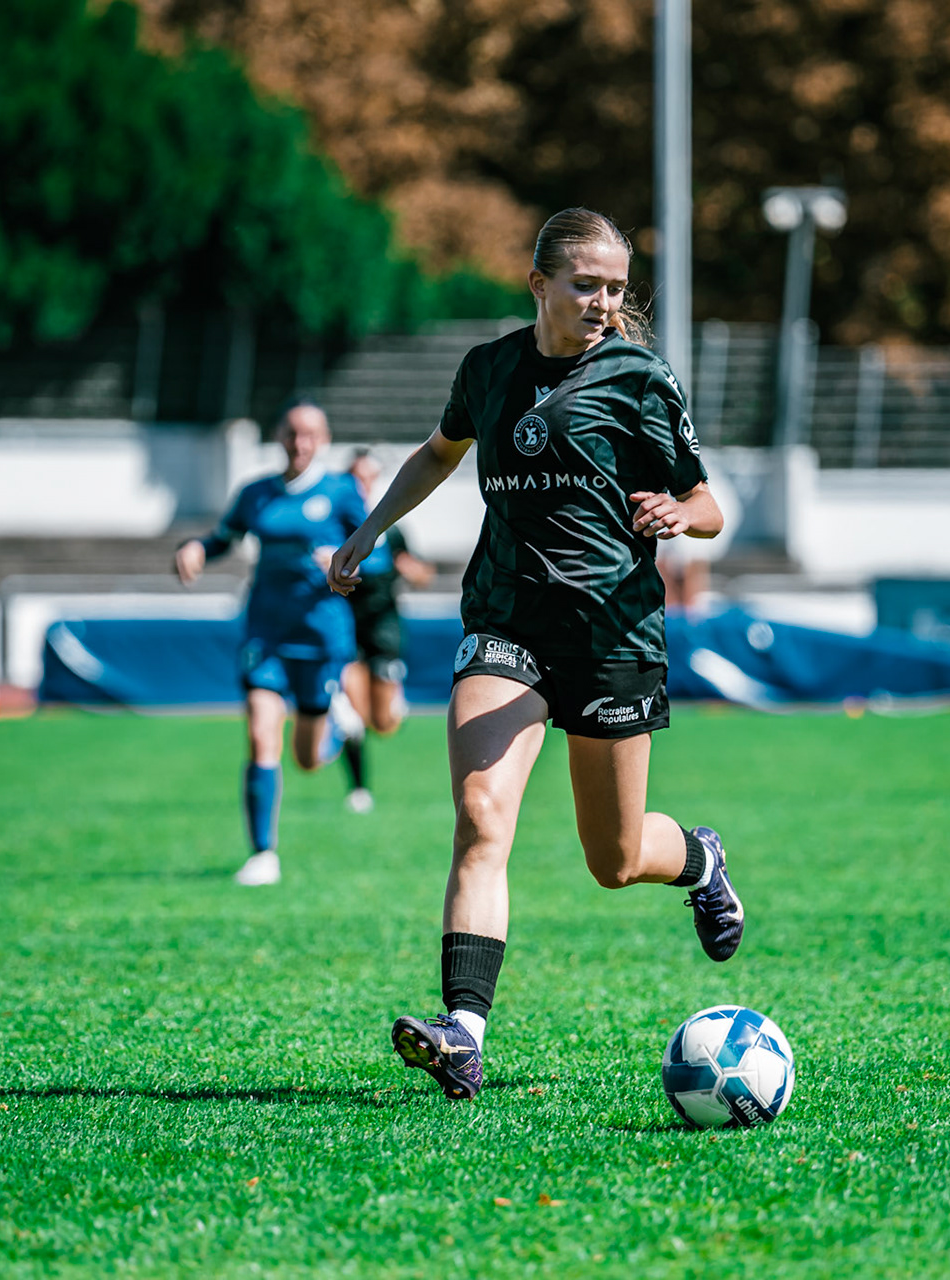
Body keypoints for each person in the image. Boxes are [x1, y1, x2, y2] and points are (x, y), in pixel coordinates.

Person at [327, 207, 744, 1102]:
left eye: (616, 289)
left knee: (615, 858)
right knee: (482, 815)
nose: (602, 303)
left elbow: (709, 500)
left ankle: (700, 859)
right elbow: (439, 454)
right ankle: (464, 1034)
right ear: (539, 284)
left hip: (612, 635)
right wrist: (368, 530)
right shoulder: (488, 370)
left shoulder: (638, 376)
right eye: (586, 284)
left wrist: (680, 515)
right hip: (505, 622)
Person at [176, 399, 368, 886]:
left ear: (323, 440)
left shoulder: (342, 492)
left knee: (306, 759)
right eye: (291, 433)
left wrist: (346, 558)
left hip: (320, 636)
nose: (299, 443)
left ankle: (336, 729)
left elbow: (378, 551)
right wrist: (198, 547)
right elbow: (225, 536)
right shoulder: (257, 493)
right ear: (279, 436)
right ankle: (263, 855)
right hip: (266, 632)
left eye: (309, 435)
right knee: (262, 736)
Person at [334, 448, 436, 813]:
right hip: (344, 631)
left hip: (384, 630)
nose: (361, 484)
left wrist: (413, 570)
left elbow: (423, 573)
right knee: (349, 713)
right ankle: (359, 789)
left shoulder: (391, 530)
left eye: (367, 476)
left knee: (384, 722)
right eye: (355, 477)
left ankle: (394, 704)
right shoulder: (333, 526)